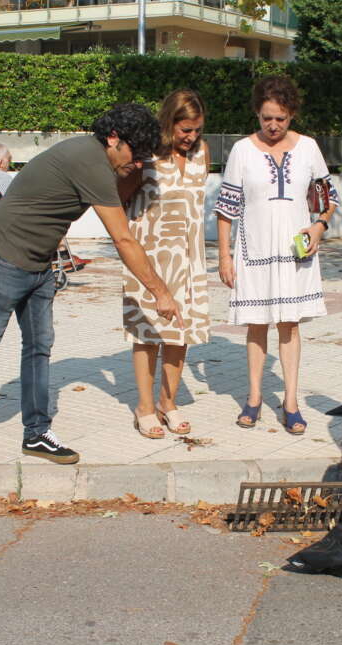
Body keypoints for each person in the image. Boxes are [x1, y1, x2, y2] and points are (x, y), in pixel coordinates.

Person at [0, 103, 182, 470]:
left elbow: (120, 197)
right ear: (114, 139)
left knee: (39, 346)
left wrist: (136, 168)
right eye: (135, 154)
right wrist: (160, 292)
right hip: (4, 254)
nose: (137, 164)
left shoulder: (96, 156)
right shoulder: (92, 162)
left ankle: (36, 432)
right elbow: (124, 240)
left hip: (38, 261)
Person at [214, 75, 339, 435]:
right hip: (253, 252)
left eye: (280, 119)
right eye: (266, 117)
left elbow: (328, 199)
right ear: (257, 112)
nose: (273, 125)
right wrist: (225, 257)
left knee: (289, 324)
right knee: (256, 323)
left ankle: (291, 402)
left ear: (292, 115)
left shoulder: (309, 148)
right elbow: (226, 209)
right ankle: (253, 398)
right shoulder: (241, 150)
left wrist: (319, 227)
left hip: (294, 254)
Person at [118, 89, 210, 439]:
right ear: (169, 123)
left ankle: (168, 402)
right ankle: (144, 407)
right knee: (147, 333)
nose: (191, 137)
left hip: (189, 255)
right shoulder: (148, 154)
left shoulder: (203, 153)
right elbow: (120, 198)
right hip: (149, 253)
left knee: (179, 333)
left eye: (197, 130)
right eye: (185, 130)